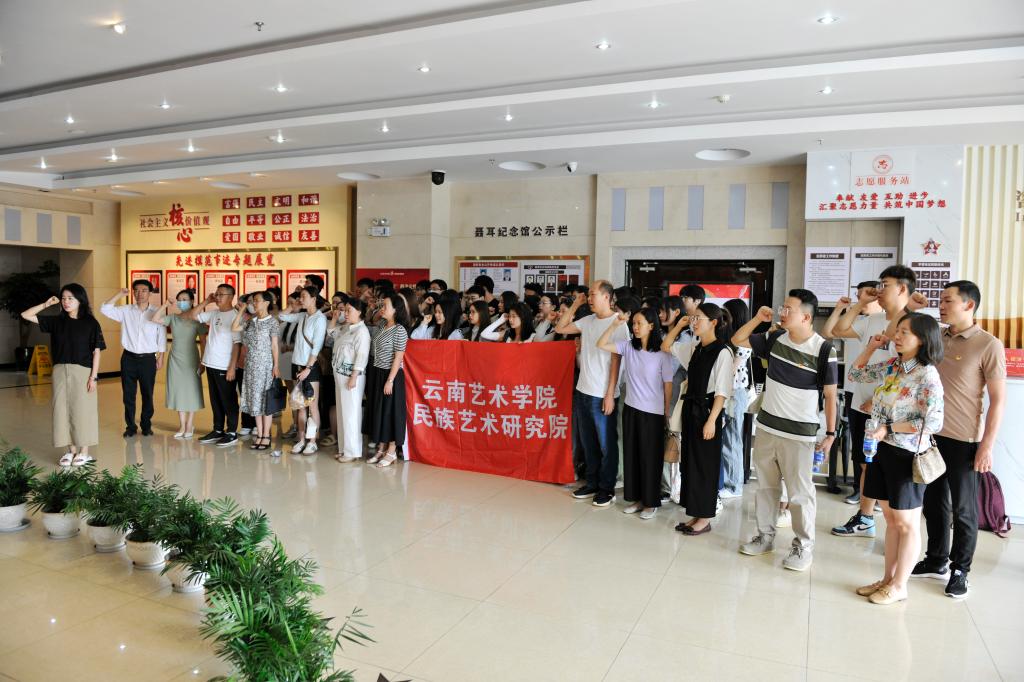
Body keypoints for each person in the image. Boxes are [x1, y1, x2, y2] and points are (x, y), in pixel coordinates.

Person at [912, 281, 1006, 599]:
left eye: (948, 301)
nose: (941, 305)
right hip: (930, 436)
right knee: (934, 504)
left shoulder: (988, 344)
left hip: (964, 440)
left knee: (964, 510)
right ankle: (936, 559)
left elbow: (998, 400)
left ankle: (960, 570)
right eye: (940, 300)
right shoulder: (937, 337)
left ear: (969, 305)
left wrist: (986, 446)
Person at [734, 290, 838, 571]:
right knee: (766, 487)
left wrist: (830, 434)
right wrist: (758, 318)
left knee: (800, 494)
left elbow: (831, 396)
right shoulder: (775, 339)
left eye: (788, 309)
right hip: (768, 427)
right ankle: (765, 536)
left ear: (806, 317)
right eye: (783, 307)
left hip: (800, 434)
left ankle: (803, 547)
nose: (782, 312)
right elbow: (737, 339)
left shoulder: (824, 350)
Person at [848, 314, 944, 604]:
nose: (897, 336)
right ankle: (887, 579)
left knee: (906, 522)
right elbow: (855, 375)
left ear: (923, 340)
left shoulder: (927, 375)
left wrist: (889, 428)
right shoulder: (893, 366)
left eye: (905, 332)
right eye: (898, 331)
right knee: (891, 519)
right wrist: (870, 348)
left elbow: (933, 422)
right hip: (881, 450)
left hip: (907, 453)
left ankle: (900, 585)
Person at [829, 269, 912, 537]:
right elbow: (837, 330)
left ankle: (894, 527)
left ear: (902, 289)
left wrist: (877, 399)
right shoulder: (873, 319)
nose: (880, 289)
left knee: (885, 467)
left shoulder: (912, 323)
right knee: (867, 463)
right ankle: (865, 517)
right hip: (860, 402)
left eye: (885, 285)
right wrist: (860, 304)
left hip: (888, 412)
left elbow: (907, 370)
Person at [555, 281, 630, 507]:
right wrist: (575, 305)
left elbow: (617, 361)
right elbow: (560, 328)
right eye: (588, 295)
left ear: (607, 297)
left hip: (602, 393)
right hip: (583, 390)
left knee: (606, 444)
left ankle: (607, 489)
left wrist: (610, 394)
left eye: (592, 294)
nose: (589, 298)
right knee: (588, 443)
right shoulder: (587, 320)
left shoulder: (618, 323)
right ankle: (592, 483)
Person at [596, 308, 673, 520]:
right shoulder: (628, 346)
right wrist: (615, 324)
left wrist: (666, 412)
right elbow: (601, 344)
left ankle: (650, 503)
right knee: (632, 456)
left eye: (639, 323)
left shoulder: (663, 354)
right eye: (634, 323)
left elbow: (668, 385)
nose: (635, 327)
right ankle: (636, 499)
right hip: (631, 409)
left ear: (651, 325)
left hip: (653, 414)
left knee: (650, 459)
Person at [21, 285, 105, 466]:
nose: (66, 302)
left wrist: (93, 377)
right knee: (61, 410)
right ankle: (71, 451)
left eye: (70, 298)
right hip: (59, 371)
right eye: (64, 298)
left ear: (80, 300)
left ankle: (84, 452)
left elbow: (96, 352)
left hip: (83, 371)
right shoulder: (57, 321)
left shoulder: (91, 323)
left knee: (83, 410)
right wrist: (45, 305)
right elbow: (25, 315)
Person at [675, 303, 734, 535]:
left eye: (698, 318)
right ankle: (695, 514)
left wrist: (711, 421)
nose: (694, 322)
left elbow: (722, 392)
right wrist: (679, 325)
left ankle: (705, 517)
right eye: (693, 318)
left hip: (708, 412)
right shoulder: (696, 347)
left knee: (705, 466)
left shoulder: (723, 352)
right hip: (691, 409)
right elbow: (666, 346)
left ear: (714, 322)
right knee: (690, 463)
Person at [823, 280, 884, 504]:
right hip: (853, 390)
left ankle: (877, 496)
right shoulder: (857, 321)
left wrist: (877, 398)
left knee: (876, 448)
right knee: (858, 446)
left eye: (867, 295)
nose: (862, 299)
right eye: (859, 296)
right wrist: (841, 308)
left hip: (879, 395)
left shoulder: (887, 324)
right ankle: (860, 489)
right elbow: (829, 332)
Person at [100, 280, 165, 437]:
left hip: (148, 359)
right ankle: (130, 426)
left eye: (144, 290)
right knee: (128, 395)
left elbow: (161, 336)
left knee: (147, 394)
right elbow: (104, 309)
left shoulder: (156, 312)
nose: (139, 293)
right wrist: (120, 294)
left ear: (150, 293)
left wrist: (161, 356)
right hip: (128, 358)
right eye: (136, 290)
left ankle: (146, 425)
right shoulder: (126, 310)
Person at [186, 284, 242, 447]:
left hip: (225, 366)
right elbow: (192, 315)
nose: (217, 297)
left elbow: (237, 344)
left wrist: (231, 367)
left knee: (228, 400)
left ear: (231, 297)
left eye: (221, 294)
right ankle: (218, 429)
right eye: (216, 294)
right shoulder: (214, 313)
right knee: (215, 400)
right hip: (211, 363)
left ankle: (231, 432)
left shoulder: (235, 315)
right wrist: (206, 301)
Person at [151, 289, 207, 439]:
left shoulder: (197, 319)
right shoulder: (173, 318)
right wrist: (165, 304)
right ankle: (182, 425)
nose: (181, 302)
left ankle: (190, 425)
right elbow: (155, 319)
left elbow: (203, 342)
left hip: (191, 359)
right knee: (178, 391)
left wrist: (203, 361)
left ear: (192, 301)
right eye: (179, 299)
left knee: (192, 390)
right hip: (175, 359)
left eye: (184, 299)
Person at [278, 286, 327, 455]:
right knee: (300, 405)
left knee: (312, 406)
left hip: (309, 367)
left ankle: (312, 441)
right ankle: (301, 439)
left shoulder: (320, 319)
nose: (301, 299)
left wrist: (308, 368)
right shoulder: (302, 316)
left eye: (304, 296)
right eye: (300, 296)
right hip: (297, 364)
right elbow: (281, 316)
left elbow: (317, 346)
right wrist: (293, 306)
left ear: (314, 298)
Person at [365, 293, 410, 467]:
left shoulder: (400, 330)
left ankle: (391, 451)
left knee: (390, 412)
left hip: (391, 375)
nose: (382, 308)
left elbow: (398, 357)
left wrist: (390, 380)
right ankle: (381, 448)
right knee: (380, 411)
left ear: (396, 310)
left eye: (385, 306)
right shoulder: (382, 324)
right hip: (377, 372)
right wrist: (380, 310)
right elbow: (373, 318)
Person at [234, 291, 281, 452]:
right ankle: (259, 434)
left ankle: (266, 435)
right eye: (253, 301)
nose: (254, 303)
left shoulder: (272, 322)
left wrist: (276, 365)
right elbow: (234, 327)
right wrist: (242, 310)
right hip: (250, 366)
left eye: (257, 301)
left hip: (265, 366)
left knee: (265, 401)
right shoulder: (251, 322)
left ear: (267, 303)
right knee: (255, 400)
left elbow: (274, 346)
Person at [328, 298, 371, 462]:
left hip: (352, 377)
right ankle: (344, 448)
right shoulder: (346, 328)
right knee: (342, 412)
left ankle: (352, 452)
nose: (345, 313)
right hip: (340, 375)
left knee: (351, 414)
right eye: (344, 310)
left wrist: (353, 377)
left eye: (349, 310)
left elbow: (362, 356)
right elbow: (331, 333)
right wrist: (334, 318)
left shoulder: (362, 331)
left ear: (359, 312)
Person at [720, 298, 752, 499]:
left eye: (726, 313)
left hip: (734, 393)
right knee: (727, 439)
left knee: (732, 439)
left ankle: (733, 486)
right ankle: (729, 482)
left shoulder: (744, 339)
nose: (723, 317)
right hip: (727, 392)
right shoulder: (728, 335)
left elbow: (732, 367)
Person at [279, 292, 301, 438]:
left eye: (294, 303)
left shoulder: (303, 319)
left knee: (298, 395)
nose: (291, 306)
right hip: (285, 362)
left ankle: (300, 427)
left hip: (297, 362)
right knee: (291, 394)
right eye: (289, 303)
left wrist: (291, 348)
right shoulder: (286, 322)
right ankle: (295, 424)